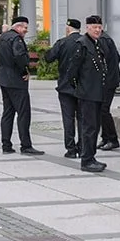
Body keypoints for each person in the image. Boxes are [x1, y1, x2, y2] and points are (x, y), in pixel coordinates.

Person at [65, 15, 119, 173]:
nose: (97, 30)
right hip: (87, 94)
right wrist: (81, 88)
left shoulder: (98, 43)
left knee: (94, 127)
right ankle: (86, 160)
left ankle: (91, 157)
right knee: (88, 128)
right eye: (94, 27)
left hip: (97, 93)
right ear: (87, 28)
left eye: (99, 27)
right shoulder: (82, 45)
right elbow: (72, 72)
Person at [0, 16, 43, 155]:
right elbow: (19, 57)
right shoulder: (16, 39)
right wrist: (25, 70)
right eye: (25, 28)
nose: (26, 31)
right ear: (18, 26)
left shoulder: (3, 37)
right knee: (23, 113)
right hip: (16, 80)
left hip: (4, 79)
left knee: (8, 113)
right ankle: (26, 145)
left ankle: (6, 144)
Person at [44, 19, 84, 157]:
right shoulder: (86, 42)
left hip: (65, 86)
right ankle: (83, 147)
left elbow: (49, 57)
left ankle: (71, 149)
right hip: (82, 87)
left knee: (68, 118)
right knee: (83, 118)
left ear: (68, 28)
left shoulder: (62, 42)